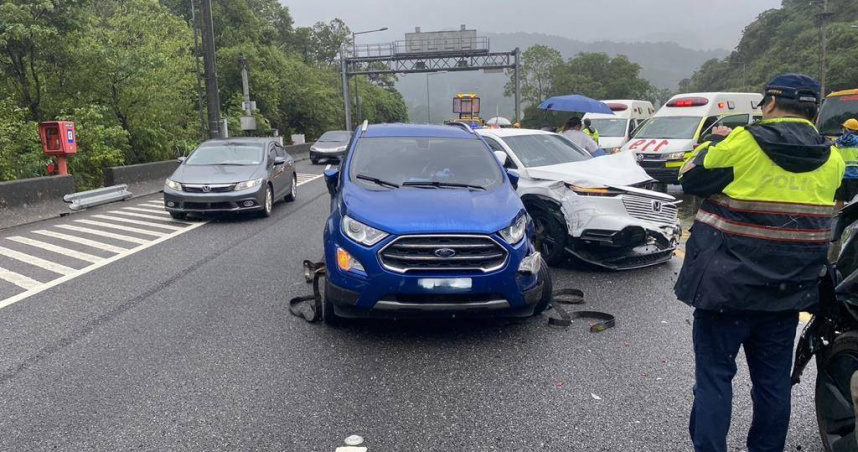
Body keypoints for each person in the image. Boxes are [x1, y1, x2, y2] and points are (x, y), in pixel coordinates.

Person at [675, 73, 844, 452]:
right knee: (772, 386)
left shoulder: (743, 143)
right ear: (814, 111)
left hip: (725, 290)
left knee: (714, 379)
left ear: (768, 104)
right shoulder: (831, 158)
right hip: (786, 294)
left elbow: (690, 179)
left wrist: (706, 148)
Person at [836, 118, 858, 206]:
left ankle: (838, 218)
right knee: (854, 203)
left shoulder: (838, 142)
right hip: (856, 177)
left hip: (841, 176)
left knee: (839, 200)